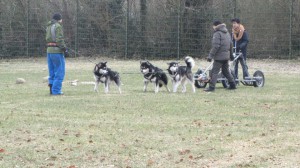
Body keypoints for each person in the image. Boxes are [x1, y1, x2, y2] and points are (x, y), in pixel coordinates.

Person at [204, 20, 236, 92]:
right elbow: (231, 45)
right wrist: (231, 56)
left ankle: (211, 87)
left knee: (214, 72)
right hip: (226, 57)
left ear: (215, 26)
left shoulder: (217, 33)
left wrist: (210, 56)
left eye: (213, 26)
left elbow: (216, 46)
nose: (213, 28)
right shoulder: (227, 33)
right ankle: (233, 84)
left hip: (219, 57)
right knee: (226, 71)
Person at [46, 13, 69, 95]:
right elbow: (59, 39)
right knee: (60, 71)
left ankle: (51, 89)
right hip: (57, 51)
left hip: (49, 50)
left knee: (52, 71)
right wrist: (64, 49)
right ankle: (56, 91)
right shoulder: (58, 26)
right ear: (59, 19)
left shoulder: (48, 26)